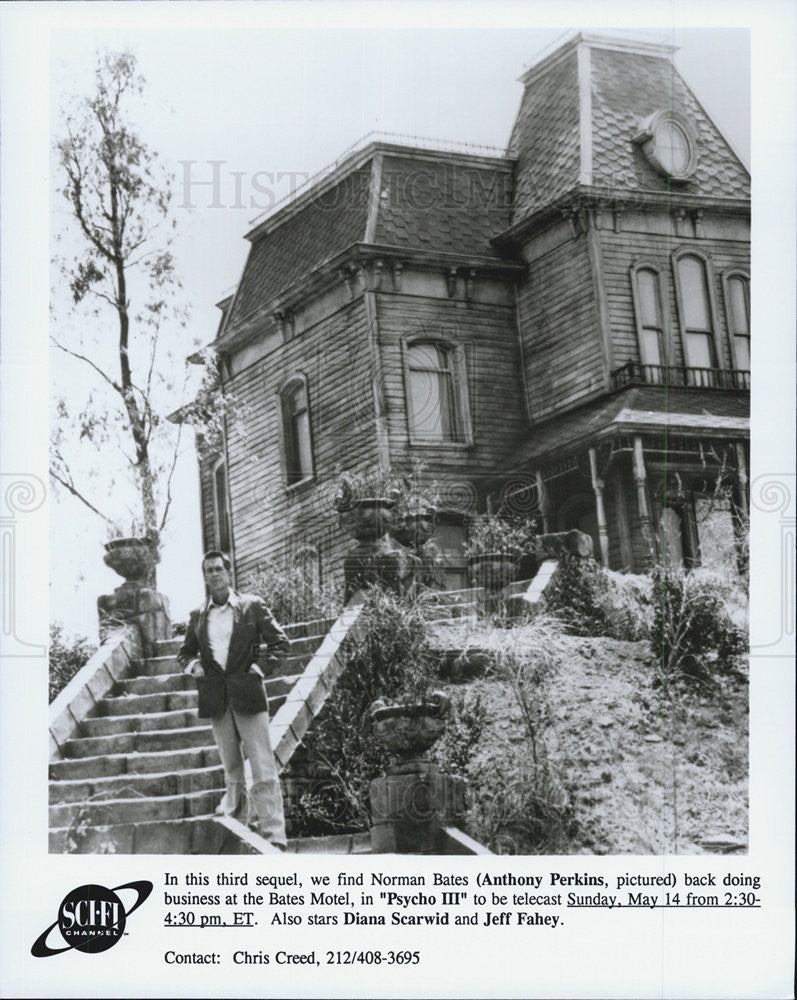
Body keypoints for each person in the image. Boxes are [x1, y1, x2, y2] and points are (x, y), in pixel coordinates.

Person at [178, 550, 290, 849]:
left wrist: (259, 668)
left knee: (263, 766)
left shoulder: (251, 606)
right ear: (204, 577)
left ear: (229, 573)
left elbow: (280, 643)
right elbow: (185, 652)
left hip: (249, 694)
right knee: (232, 768)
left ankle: (273, 836)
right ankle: (237, 830)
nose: (214, 574)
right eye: (208, 570)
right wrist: (194, 666)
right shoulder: (197, 615)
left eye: (218, 569)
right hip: (217, 698)